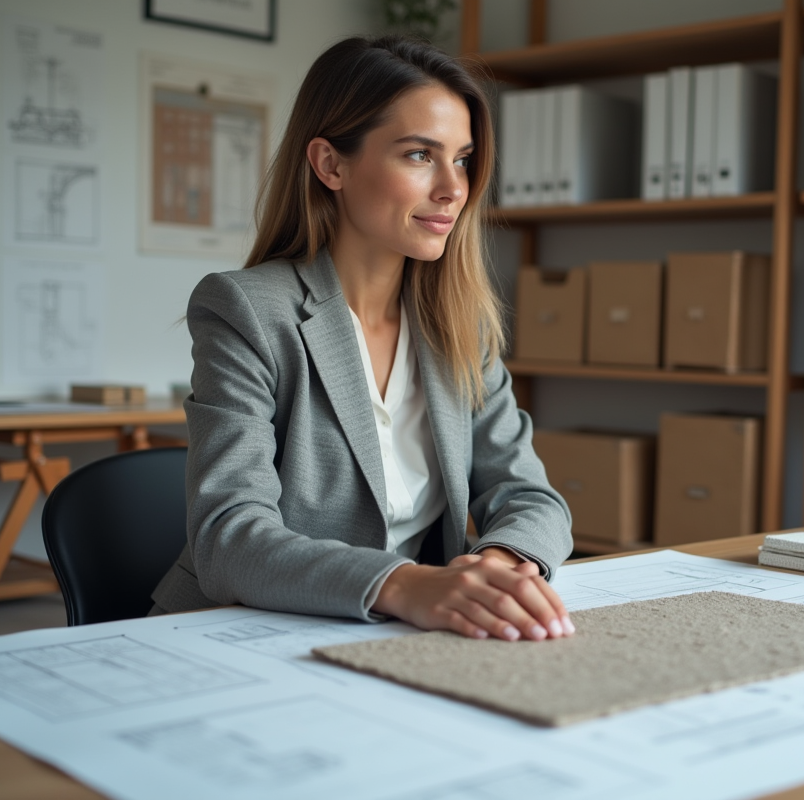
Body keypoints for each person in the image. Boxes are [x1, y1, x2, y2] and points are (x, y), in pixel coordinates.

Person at [151, 35, 575, 643]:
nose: (454, 188)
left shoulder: (459, 323)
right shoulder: (246, 309)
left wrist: (499, 567)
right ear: (331, 165)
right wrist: (406, 585)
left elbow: (531, 495)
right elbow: (229, 537)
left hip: (399, 636)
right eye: (418, 155)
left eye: (461, 158)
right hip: (246, 634)